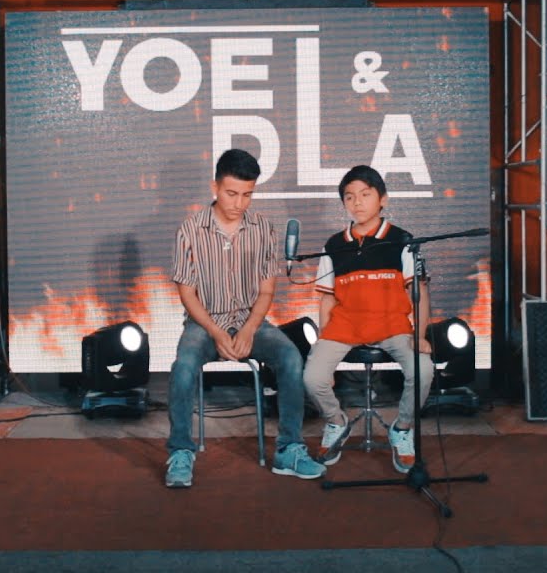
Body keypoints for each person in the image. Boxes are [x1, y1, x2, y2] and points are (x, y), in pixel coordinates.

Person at [163, 148, 326, 488]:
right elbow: (187, 293)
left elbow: (266, 291)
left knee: (291, 357)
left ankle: (289, 449)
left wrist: (250, 329)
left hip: (250, 320)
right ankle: (180, 452)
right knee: (183, 366)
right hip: (204, 323)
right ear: (215, 187)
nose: (238, 203)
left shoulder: (263, 229)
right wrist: (216, 332)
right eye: (231, 193)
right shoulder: (189, 230)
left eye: (247, 195)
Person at [302, 165, 434, 475]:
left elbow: (419, 293)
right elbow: (327, 298)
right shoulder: (333, 245)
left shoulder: (402, 240)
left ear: (382, 199)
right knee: (312, 378)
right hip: (345, 324)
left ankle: (402, 428)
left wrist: (421, 335)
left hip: (393, 325)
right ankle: (336, 422)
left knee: (423, 370)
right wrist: (323, 342)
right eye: (349, 197)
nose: (357, 202)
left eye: (365, 194)